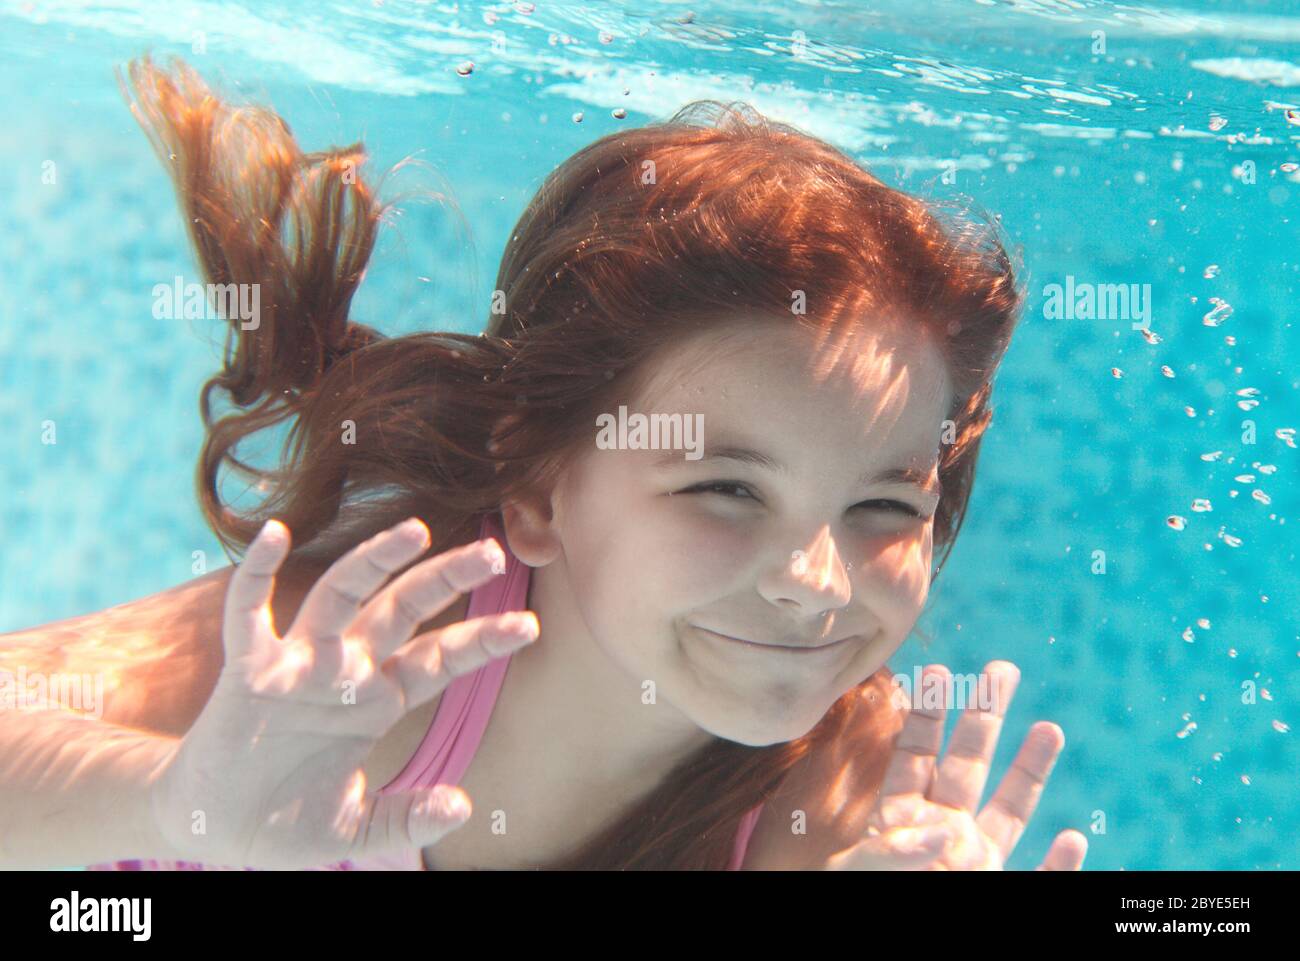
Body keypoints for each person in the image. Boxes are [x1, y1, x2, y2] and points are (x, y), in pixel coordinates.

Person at [0, 55, 1087, 871]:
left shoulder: (849, 795)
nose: (814, 580)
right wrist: (175, 798)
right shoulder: (376, 662)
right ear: (533, 494)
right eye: (724, 486)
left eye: (885, 505)